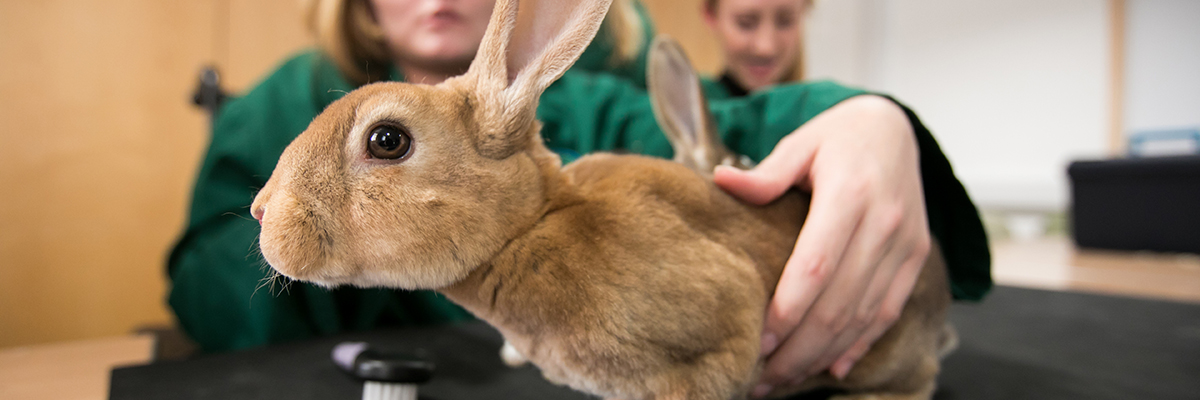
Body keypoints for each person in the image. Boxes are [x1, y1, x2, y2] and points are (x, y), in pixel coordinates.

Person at [167, 0, 991, 396]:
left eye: (388, 143)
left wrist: (868, 122)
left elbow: (738, 129)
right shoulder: (276, 106)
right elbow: (208, 278)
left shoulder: (591, 111)